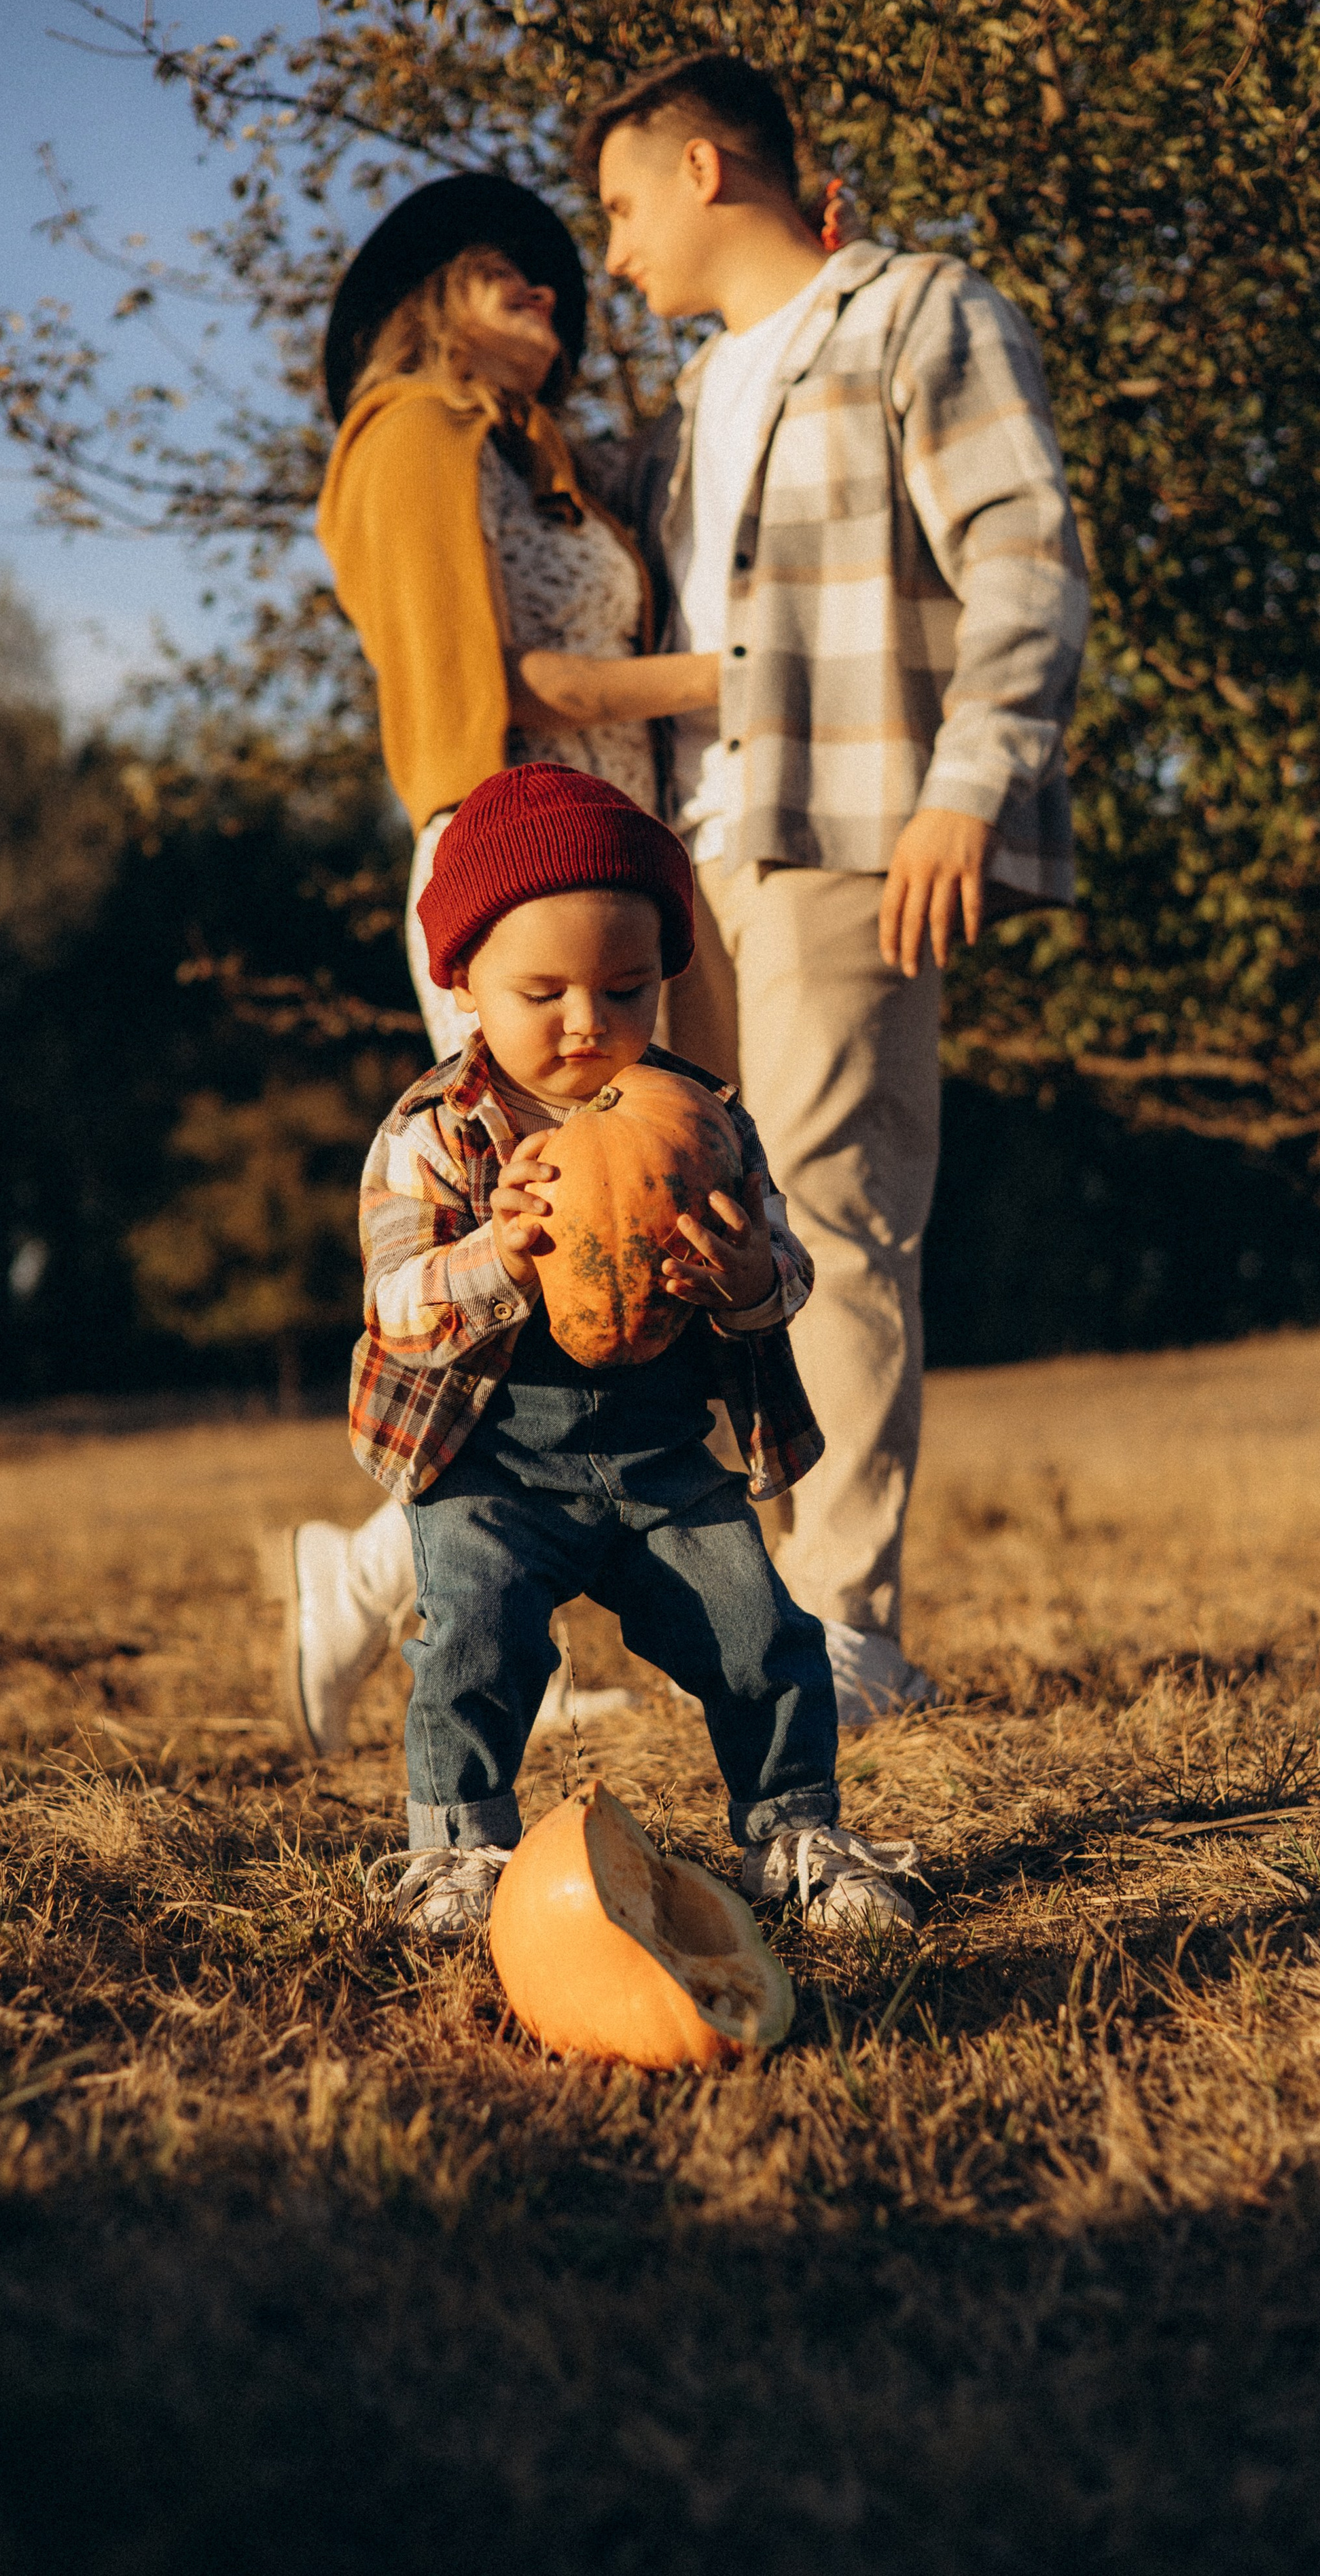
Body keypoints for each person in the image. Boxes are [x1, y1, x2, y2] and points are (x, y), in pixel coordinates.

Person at [578, 56, 1090, 1720]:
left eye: (620, 205)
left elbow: (1022, 553)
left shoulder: (915, 315)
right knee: (701, 1224)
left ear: (707, 168)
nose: (614, 251)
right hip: (697, 853)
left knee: (835, 1215)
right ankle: (754, 1617)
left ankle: (844, 1620)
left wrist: (968, 784)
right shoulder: (696, 403)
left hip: (851, 820)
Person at [273, 175, 718, 1754]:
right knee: (529, 1223)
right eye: (502, 273)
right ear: (432, 296)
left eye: (554, 278)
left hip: (612, 863)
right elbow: (498, 680)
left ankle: (420, 1582)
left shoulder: (544, 467)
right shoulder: (405, 430)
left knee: (628, 1224)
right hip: (509, 874)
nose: (545, 290)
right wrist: (738, 677)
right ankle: (416, 1575)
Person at [354, 760, 923, 1939]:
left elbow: (788, 1266)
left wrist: (750, 1283)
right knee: (471, 1634)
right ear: (462, 982)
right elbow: (395, 1306)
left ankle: (795, 1831)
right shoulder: (431, 1134)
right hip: (495, 1468)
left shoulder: (702, 1120)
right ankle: (459, 1850)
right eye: (542, 991)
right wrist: (497, 1259)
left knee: (762, 1630)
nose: (586, 1022)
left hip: (658, 1456)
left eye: (625, 989)